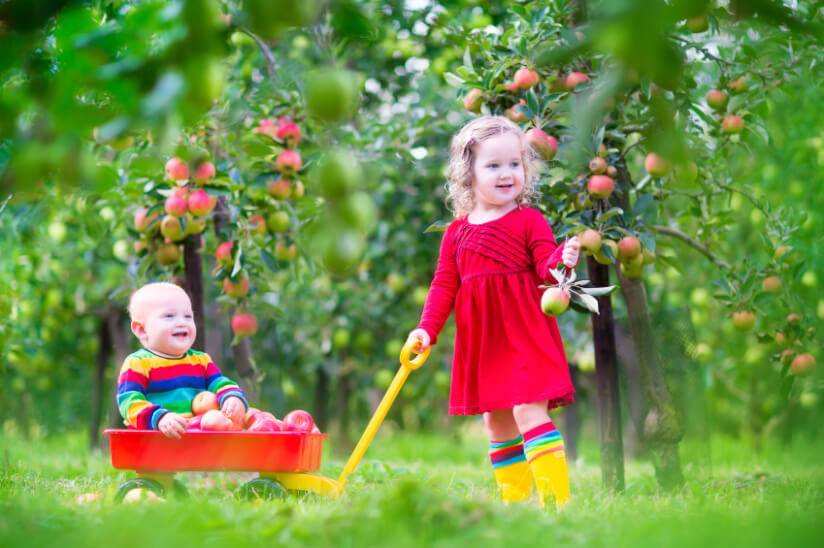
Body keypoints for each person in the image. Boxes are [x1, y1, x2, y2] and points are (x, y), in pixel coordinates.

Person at [406, 115, 581, 508]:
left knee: (528, 409)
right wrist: (426, 329)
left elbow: (546, 268)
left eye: (515, 164)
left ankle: (556, 504)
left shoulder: (529, 220)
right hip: (486, 341)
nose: (507, 174)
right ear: (468, 173)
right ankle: (514, 504)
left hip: (525, 332)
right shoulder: (456, 233)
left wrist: (563, 260)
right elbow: (444, 285)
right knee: (497, 420)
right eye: (494, 165)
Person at [117, 282, 247, 439]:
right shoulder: (138, 363)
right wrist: (159, 418)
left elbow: (221, 383)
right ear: (142, 329)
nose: (182, 322)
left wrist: (232, 397)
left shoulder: (201, 361)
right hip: (156, 442)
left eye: (188, 316)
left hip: (197, 441)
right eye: (169, 316)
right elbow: (129, 402)